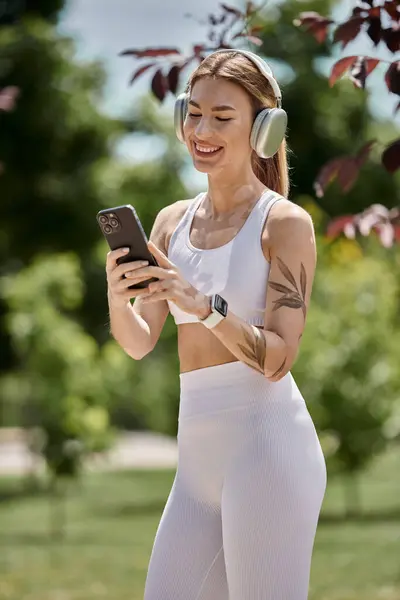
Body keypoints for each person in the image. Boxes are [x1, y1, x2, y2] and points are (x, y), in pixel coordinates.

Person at [106, 49, 327, 600]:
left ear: (263, 127)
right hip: (196, 467)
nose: (201, 130)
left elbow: (277, 360)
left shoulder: (284, 224)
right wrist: (116, 296)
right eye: (193, 112)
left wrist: (204, 305)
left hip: (268, 453)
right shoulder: (171, 221)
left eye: (221, 117)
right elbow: (139, 342)